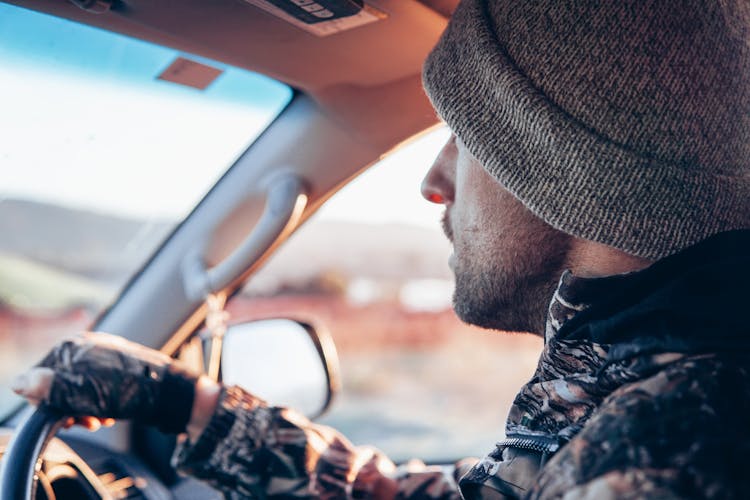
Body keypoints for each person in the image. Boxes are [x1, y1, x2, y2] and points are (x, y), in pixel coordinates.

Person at [13, 0, 750, 498]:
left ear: (561, 164)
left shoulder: (673, 446)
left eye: (464, 137)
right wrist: (184, 400)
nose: (434, 181)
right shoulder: (618, 405)